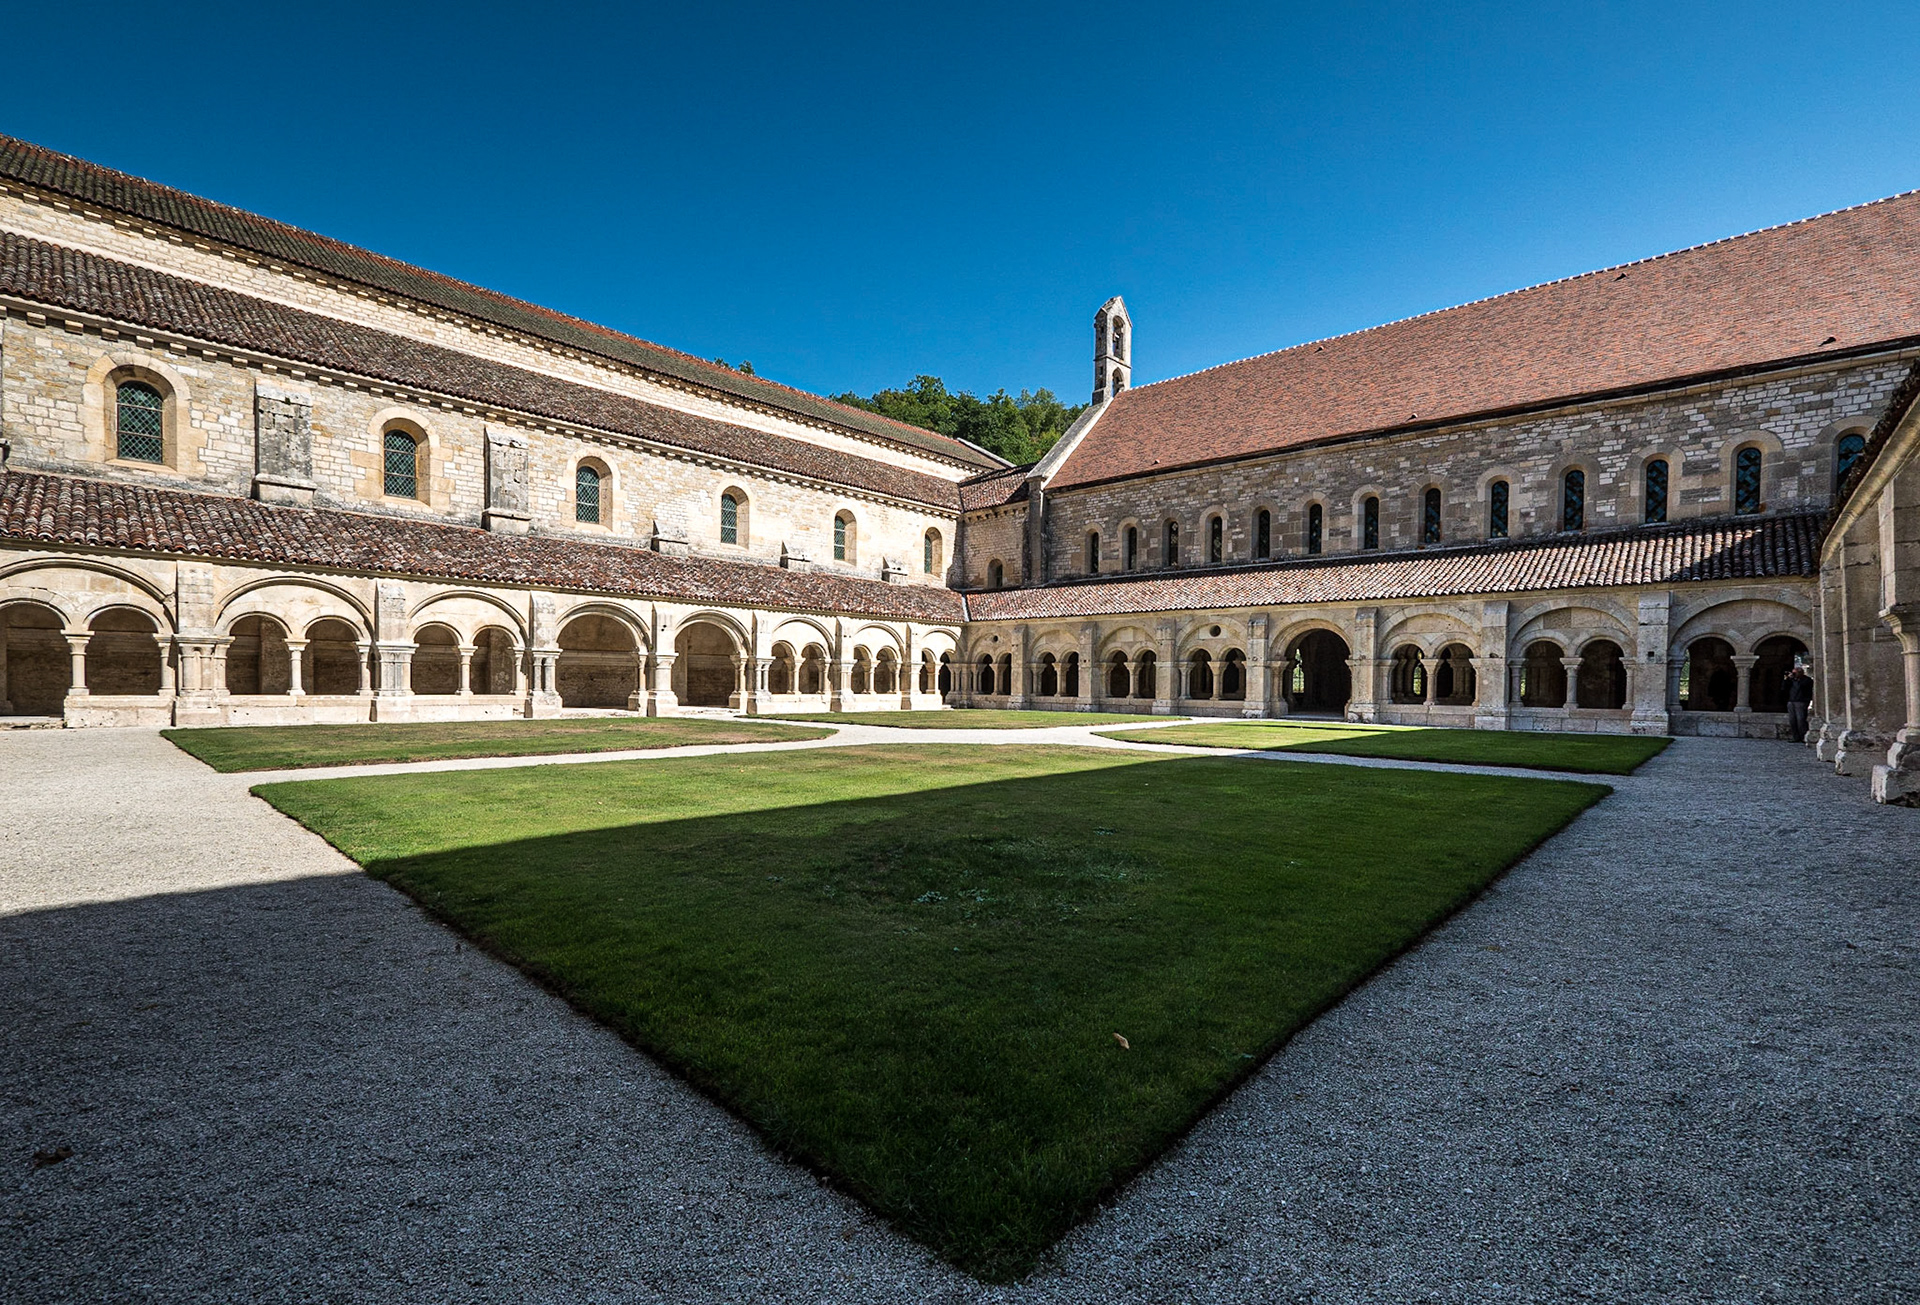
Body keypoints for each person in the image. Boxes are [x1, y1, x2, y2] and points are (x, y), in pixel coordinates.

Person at [1785, 664, 1814, 742]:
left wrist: (1796, 680)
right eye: (1793, 673)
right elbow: (1784, 687)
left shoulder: (1807, 680)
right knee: (1792, 720)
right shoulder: (1791, 680)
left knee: (1801, 719)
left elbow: (1803, 686)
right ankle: (1795, 737)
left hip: (1801, 701)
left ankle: (1803, 737)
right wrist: (1788, 679)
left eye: (1795, 673)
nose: (1794, 674)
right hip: (1791, 701)